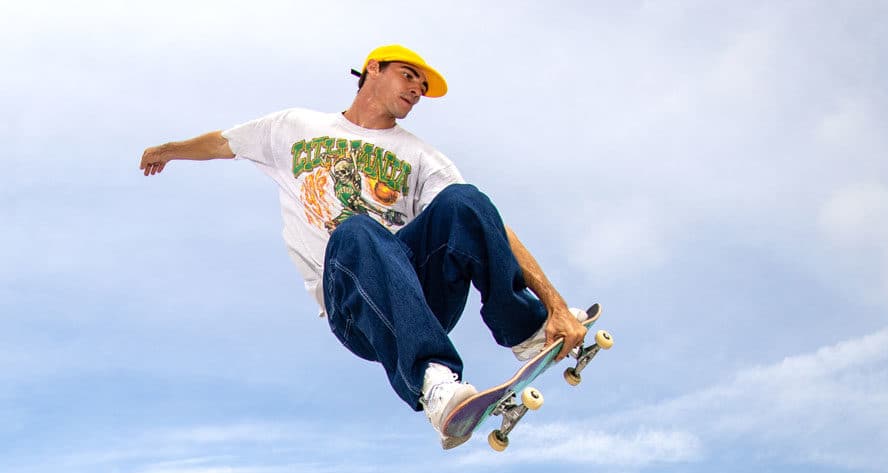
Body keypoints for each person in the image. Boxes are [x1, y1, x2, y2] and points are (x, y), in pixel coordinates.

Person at [140, 44, 586, 449]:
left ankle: (526, 330)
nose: (417, 90)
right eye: (409, 75)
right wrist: (168, 149)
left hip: (420, 296)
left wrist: (557, 305)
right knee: (356, 230)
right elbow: (224, 143)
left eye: (423, 86)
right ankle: (434, 382)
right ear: (374, 68)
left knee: (466, 201)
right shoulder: (296, 126)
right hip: (355, 304)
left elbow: (489, 227)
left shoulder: (421, 157)